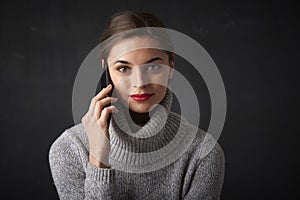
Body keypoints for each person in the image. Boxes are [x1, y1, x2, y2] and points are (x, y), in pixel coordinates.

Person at [49, 10, 225, 199]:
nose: (140, 82)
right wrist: (99, 160)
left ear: (171, 66)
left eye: (153, 66)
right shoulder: (69, 149)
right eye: (123, 68)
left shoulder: (203, 153)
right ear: (106, 71)